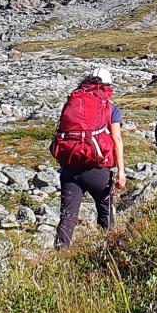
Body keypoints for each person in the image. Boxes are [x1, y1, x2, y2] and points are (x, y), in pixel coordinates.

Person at [51, 67, 127, 249]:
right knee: (105, 210)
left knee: (67, 217)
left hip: (69, 167)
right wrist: (121, 171)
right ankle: (107, 250)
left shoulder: (74, 102)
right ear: (107, 86)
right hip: (97, 169)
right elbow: (116, 138)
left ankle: (58, 256)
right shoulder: (111, 108)